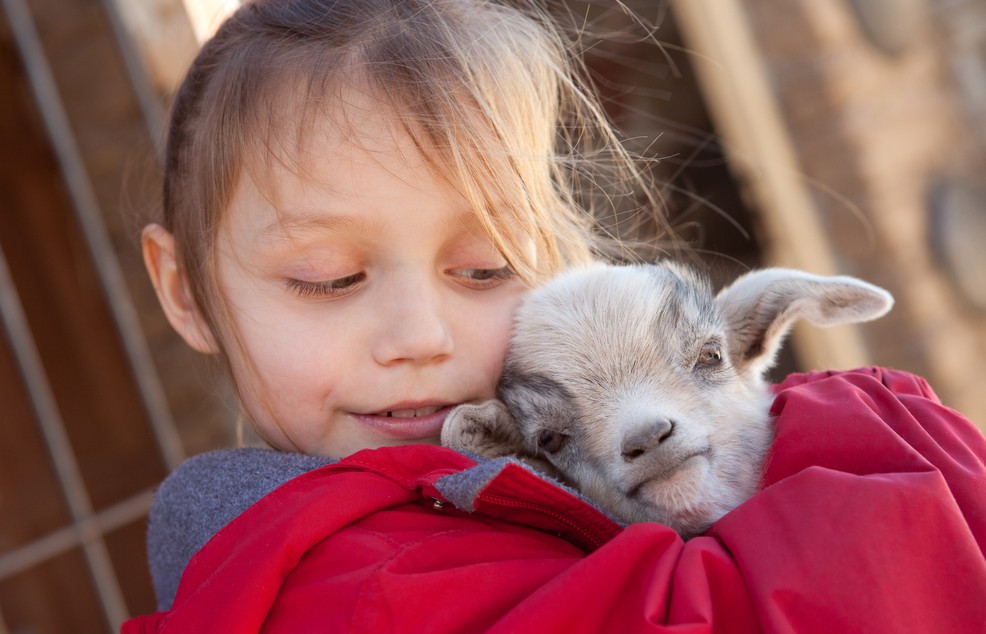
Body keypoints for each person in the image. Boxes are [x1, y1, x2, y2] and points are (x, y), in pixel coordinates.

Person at [124, 0, 986, 632]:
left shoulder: (494, 500)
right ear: (187, 292)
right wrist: (875, 425)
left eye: (484, 267)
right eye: (331, 276)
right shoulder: (355, 587)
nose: (421, 335)